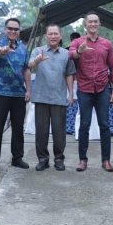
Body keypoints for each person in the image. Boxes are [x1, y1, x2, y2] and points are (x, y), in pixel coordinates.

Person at [69, 12, 113, 172]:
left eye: (95, 22)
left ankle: (106, 161)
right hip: (84, 89)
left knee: (104, 125)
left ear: (99, 24)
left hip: (103, 88)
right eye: (90, 22)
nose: (93, 24)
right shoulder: (78, 42)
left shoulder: (106, 44)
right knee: (84, 125)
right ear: (85, 25)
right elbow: (71, 54)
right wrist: (79, 52)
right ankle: (82, 160)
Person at [28, 24, 76, 171]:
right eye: (50, 34)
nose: (53, 36)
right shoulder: (37, 51)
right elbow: (29, 66)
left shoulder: (66, 54)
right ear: (46, 36)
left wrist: (71, 94)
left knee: (59, 132)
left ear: (60, 36)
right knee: (41, 132)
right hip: (41, 97)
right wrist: (37, 61)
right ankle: (42, 159)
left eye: (56, 34)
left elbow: (69, 74)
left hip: (59, 98)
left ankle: (59, 159)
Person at [0, 18, 31, 170]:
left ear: (19, 31)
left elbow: (26, 69)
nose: (13, 31)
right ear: (5, 30)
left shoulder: (23, 48)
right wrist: (3, 50)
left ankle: (17, 158)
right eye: (10, 28)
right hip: (1, 93)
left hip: (19, 94)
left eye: (16, 29)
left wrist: (28, 90)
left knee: (18, 128)